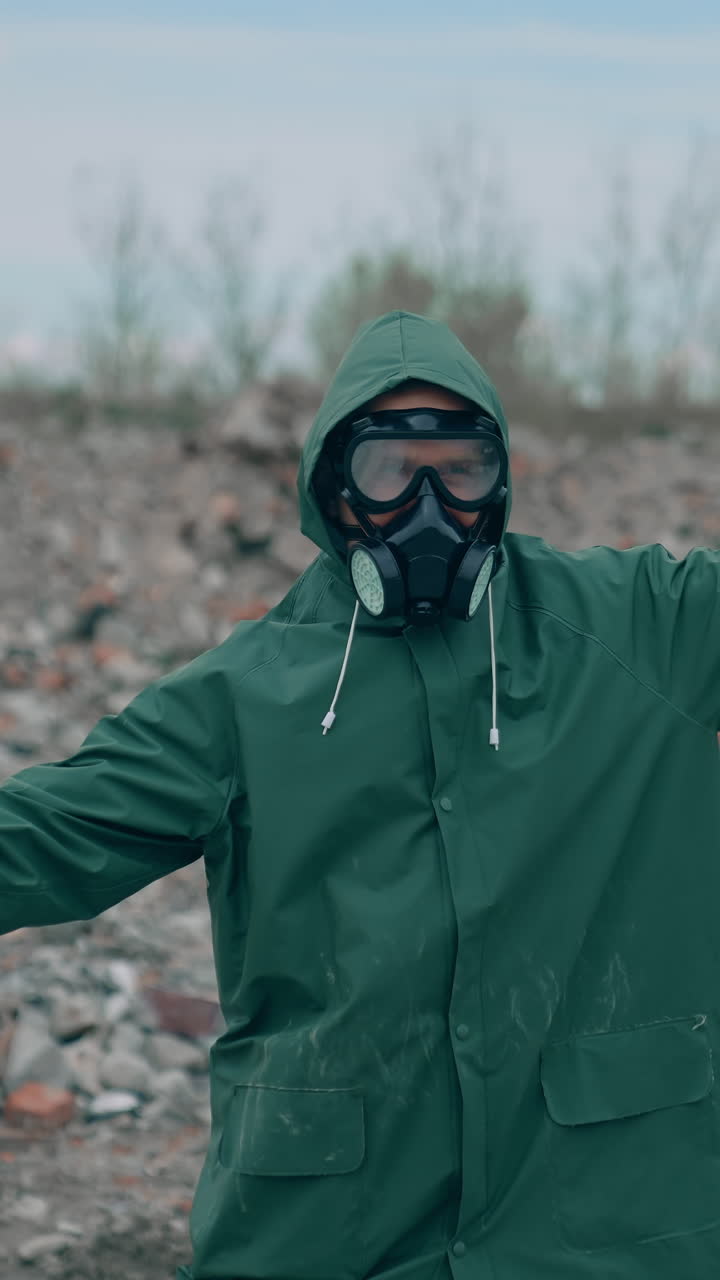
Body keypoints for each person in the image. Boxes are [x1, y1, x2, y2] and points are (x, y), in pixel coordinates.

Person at [1, 308, 719, 1280]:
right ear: (335, 488)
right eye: (392, 471)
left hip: (597, 1232)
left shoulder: (641, 631)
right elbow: (45, 836)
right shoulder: (242, 696)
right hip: (333, 1234)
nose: (431, 503)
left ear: (499, 478)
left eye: (459, 468)